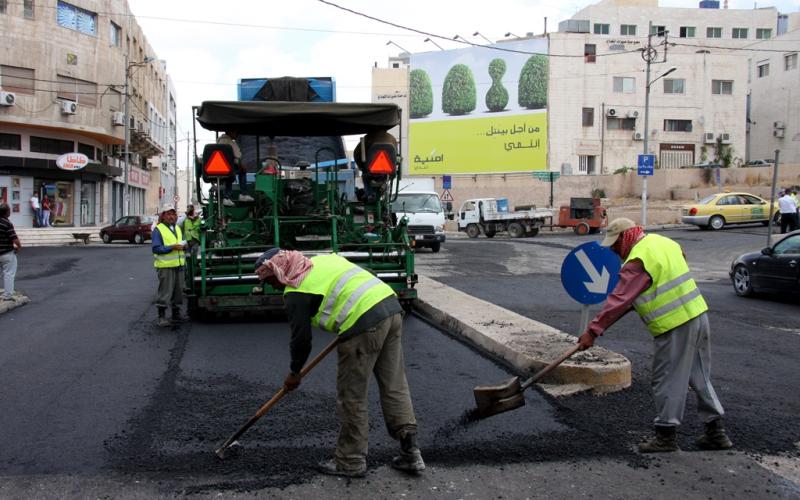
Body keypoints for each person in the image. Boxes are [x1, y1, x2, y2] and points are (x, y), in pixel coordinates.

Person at [255, 249, 424, 478]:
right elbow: (367, 274)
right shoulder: (323, 260)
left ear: (279, 270)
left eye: (269, 280)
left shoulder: (296, 290)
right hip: (390, 308)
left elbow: (301, 340)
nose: (271, 286)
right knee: (395, 385)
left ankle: (350, 461)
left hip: (363, 324)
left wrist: (295, 372)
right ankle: (411, 453)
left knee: (352, 395)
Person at [577, 218, 732, 453]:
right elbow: (670, 271)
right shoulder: (664, 242)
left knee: (666, 379)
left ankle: (666, 436)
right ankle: (716, 432)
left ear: (624, 237)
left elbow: (619, 300)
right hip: (699, 316)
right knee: (699, 376)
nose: (615, 251)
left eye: (615, 245)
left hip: (674, 325)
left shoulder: (638, 259)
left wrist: (592, 331)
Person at [151, 204, 186, 327]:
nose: (172, 216)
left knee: (178, 291)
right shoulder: (158, 229)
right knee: (165, 292)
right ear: (163, 216)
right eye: (169, 214)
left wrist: (184, 246)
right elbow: (156, 248)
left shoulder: (177, 228)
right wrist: (172, 247)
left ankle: (176, 314)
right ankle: (161, 317)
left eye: (173, 214)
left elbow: (182, 241)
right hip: (166, 266)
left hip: (179, 265)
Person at [217, 130, 254, 206]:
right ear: (230, 131)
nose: (237, 134)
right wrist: (242, 165)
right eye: (235, 132)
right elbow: (237, 157)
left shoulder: (219, 141)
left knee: (229, 173)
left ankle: (226, 197)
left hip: (218, 170)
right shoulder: (231, 142)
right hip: (228, 170)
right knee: (242, 171)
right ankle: (243, 194)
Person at [0, 204, 22, 302]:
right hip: (6, 253)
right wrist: (19, 247)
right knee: (9, 273)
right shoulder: (7, 223)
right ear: (7, 212)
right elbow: (14, 238)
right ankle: (7, 295)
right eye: (9, 211)